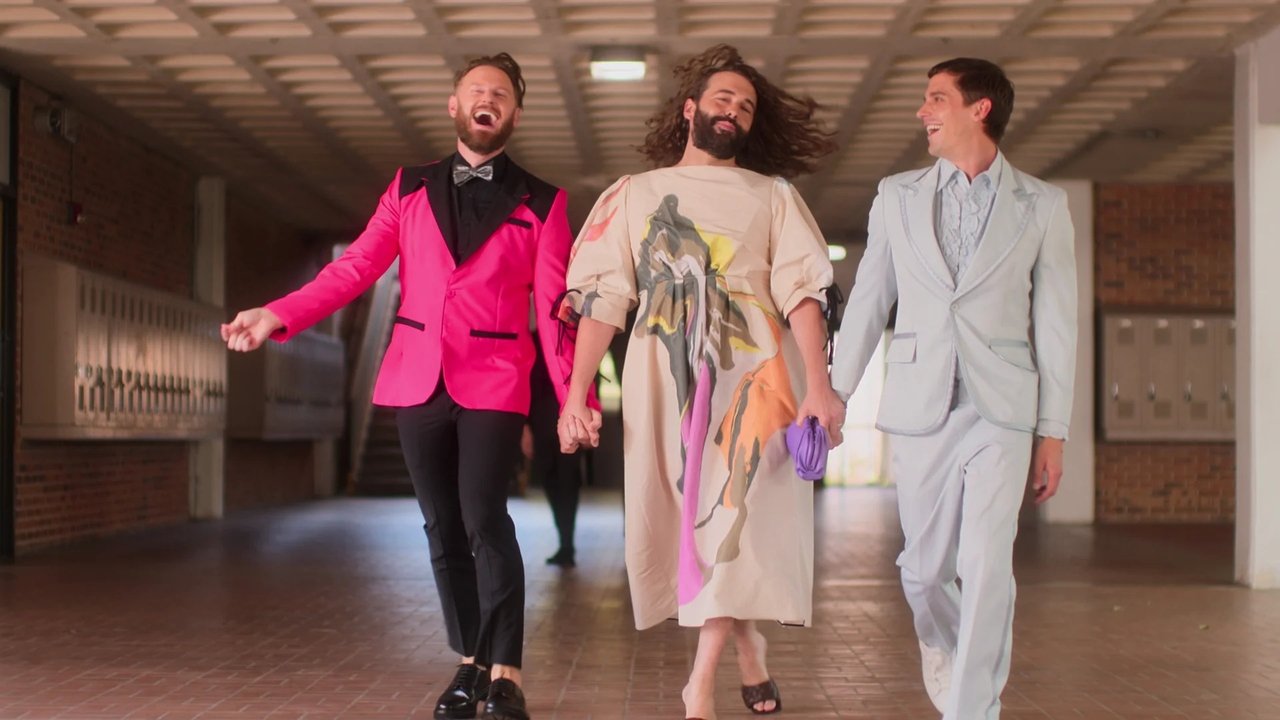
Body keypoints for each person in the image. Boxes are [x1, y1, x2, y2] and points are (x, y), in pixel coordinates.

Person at [221, 52, 597, 720]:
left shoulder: (544, 201)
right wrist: (278, 312)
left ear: (514, 113)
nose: (487, 100)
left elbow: (554, 311)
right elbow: (356, 266)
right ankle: (470, 663)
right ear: (455, 105)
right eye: (476, 90)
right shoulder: (408, 187)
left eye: (501, 94)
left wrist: (577, 398)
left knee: (485, 517)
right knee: (441, 526)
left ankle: (506, 672)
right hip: (416, 379)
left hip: (493, 380)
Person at [555, 45, 843, 720]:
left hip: (756, 369)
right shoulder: (634, 193)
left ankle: (699, 686)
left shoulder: (773, 195)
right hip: (663, 372)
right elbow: (603, 298)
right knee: (692, 520)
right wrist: (576, 395)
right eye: (723, 99)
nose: (733, 110)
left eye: (746, 106)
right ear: (690, 109)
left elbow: (803, 292)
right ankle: (750, 650)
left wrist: (819, 386)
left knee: (741, 508)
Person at [829, 58, 1077, 719]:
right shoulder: (896, 196)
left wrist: (1053, 432)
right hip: (921, 403)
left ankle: (973, 708)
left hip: (1003, 409)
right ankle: (949, 650)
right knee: (923, 571)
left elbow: (1058, 327)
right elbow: (870, 298)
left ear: (979, 108)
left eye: (936, 98)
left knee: (988, 565)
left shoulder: (1044, 205)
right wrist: (836, 392)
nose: (923, 111)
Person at [525, 340, 583, 567]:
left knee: (568, 482)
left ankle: (567, 543)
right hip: (540, 421)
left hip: (568, 417)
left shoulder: (569, 337)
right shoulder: (531, 339)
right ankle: (564, 541)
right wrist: (525, 427)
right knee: (550, 480)